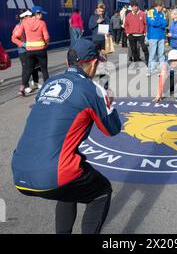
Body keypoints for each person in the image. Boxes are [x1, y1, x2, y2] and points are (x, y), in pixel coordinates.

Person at [11, 39, 121, 234]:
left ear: (69, 61)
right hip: (52, 173)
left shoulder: (50, 82)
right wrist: (108, 104)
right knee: (101, 192)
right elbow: (112, 129)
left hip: (19, 170)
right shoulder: (93, 89)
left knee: (68, 186)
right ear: (94, 63)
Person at [14, 6, 50, 96]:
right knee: (44, 69)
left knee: (29, 69)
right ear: (36, 14)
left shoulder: (24, 23)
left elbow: (17, 34)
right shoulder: (42, 23)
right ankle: (47, 88)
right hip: (41, 49)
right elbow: (46, 37)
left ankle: (22, 88)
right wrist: (46, 43)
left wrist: (24, 43)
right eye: (40, 13)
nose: (41, 15)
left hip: (29, 50)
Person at [11, 10, 41, 95]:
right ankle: (26, 86)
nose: (31, 17)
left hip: (32, 49)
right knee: (26, 69)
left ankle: (35, 83)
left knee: (35, 67)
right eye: (29, 16)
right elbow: (14, 39)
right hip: (23, 51)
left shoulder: (30, 24)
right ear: (24, 17)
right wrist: (24, 44)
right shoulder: (18, 26)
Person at [146, 1, 168, 76]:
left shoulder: (162, 13)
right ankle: (149, 70)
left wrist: (159, 23)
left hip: (161, 36)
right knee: (152, 54)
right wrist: (160, 23)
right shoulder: (150, 12)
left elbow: (165, 23)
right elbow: (152, 23)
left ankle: (160, 70)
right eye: (161, 6)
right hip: (153, 36)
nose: (162, 8)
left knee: (161, 54)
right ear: (158, 6)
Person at [124, 1, 149, 65]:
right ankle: (135, 60)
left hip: (141, 35)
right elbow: (126, 24)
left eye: (135, 6)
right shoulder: (129, 15)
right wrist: (127, 33)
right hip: (132, 35)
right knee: (133, 49)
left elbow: (146, 24)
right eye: (132, 7)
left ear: (137, 7)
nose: (134, 8)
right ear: (131, 7)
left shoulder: (142, 14)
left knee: (144, 48)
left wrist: (145, 33)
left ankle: (148, 61)